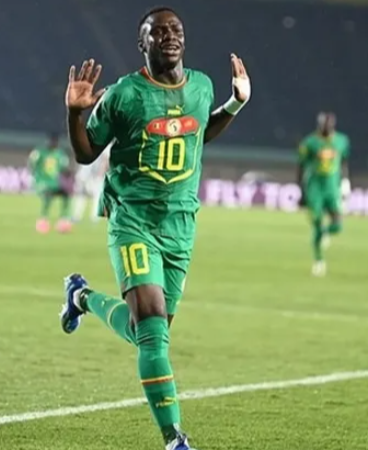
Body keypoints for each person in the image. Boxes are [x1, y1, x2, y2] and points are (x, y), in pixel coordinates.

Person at [58, 6, 250, 450]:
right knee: (152, 332)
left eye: (175, 29)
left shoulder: (202, 86)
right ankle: (174, 438)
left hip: (180, 226)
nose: (169, 36)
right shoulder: (124, 94)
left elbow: (198, 132)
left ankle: (81, 297)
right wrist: (73, 115)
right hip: (133, 222)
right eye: (158, 31)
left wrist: (235, 105)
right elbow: (86, 154)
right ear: (142, 44)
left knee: (148, 331)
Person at [297, 112, 351, 277]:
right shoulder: (309, 142)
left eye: (329, 124)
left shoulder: (342, 141)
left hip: (332, 187)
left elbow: (344, 162)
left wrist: (345, 181)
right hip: (315, 188)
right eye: (324, 124)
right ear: (319, 125)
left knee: (338, 225)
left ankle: (325, 233)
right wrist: (301, 190)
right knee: (317, 223)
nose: (327, 127)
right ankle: (319, 260)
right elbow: (301, 166)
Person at [28, 133, 73, 233]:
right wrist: (35, 176)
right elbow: (31, 162)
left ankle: (63, 219)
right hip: (42, 183)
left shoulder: (59, 154)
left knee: (65, 194)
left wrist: (68, 173)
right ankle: (43, 220)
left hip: (54, 183)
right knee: (48, 196)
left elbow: (64, 168)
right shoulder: (40, 152)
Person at [71, 142, 111, 223]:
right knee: (81, 196)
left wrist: (101, 173)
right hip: (84, 174)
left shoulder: (104, 145)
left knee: (96, 196)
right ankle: (77, 216)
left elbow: (105, 160)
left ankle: (94, 216)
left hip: (95, 175)